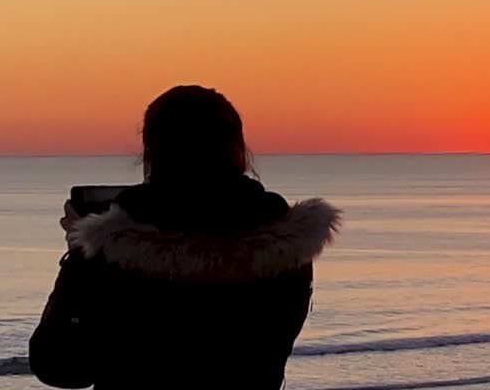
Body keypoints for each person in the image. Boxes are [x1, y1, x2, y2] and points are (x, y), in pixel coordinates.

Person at [29, 85, 341, 389]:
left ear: (153, 153)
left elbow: (61, 365)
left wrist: (81, 253)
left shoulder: (114, 250)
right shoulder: (284, 247)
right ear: (236, 149)